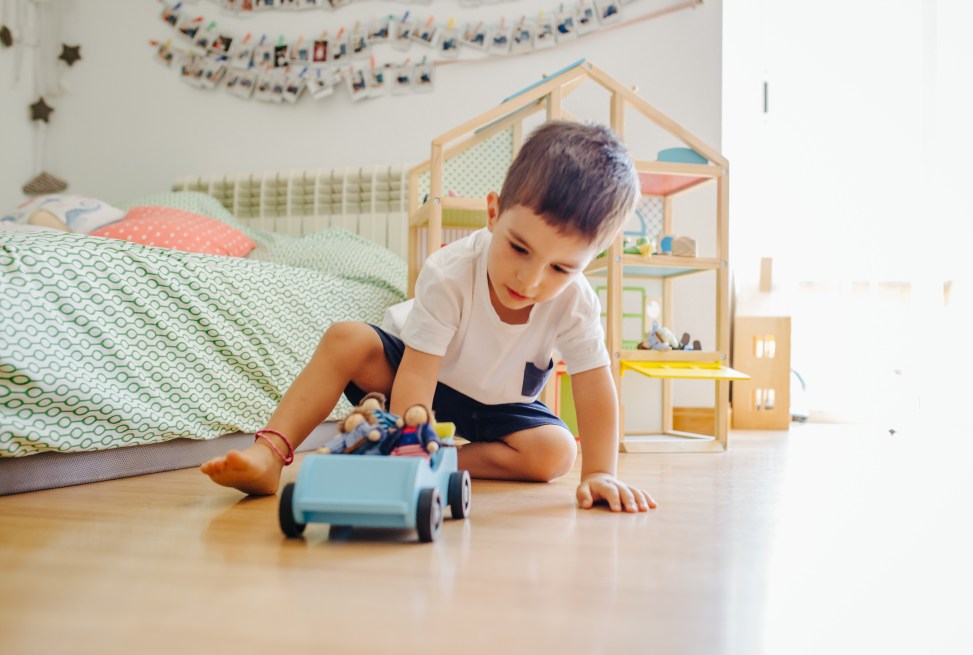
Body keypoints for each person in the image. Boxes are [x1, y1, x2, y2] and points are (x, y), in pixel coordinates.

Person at [201, 120, 657, 513]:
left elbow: (594, 384)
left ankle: (440, 458)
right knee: (346, 338)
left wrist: (600, 473)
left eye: (560, 268)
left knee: (556, 453)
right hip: (425, 380)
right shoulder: (450, 271)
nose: (531, 278)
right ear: (494, 213)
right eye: (519, 248)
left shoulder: (576, 301)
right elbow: (417, 373)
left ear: (588, 263)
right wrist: (406, 454)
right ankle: (269, 454)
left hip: (500, 407)